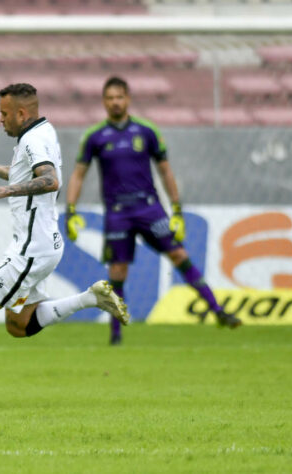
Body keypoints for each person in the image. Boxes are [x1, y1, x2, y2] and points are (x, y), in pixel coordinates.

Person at [0, 83, 130, 408]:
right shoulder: (39, 134)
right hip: (41, 244)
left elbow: (50, 180)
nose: (0, 119)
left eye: (4, 113)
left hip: (31, 250)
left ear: (21, 112)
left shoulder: (35, 139)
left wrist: (4, 192)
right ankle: (90, 298)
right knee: (18, 325)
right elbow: (24, 173)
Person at [65, 76, 241, 345]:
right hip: (117, 213)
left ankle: (217, 311)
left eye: (119, 97)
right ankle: (115, 334)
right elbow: (79, 174)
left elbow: (165, 170)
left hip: (149, 209)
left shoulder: (146, 131)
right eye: (110, 98)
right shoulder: (95, 136)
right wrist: (71, 209)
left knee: (179, 254)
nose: (115, 102)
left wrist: (177, 208)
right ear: (103, 102)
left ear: (128, 99)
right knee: (117, 272)